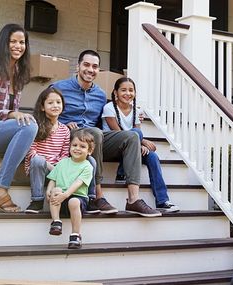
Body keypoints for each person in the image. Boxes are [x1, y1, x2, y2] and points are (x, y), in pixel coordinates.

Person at [52, 50, 161, 217]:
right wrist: (64, 124)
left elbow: (102, 124)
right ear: (78, 66)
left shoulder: (100, 94)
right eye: (86, 65)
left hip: (96, 138)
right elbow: (46, 112)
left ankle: (133, 199)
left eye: (95, 66)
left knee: (132, 136)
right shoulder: (59, 88)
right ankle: (97, 195)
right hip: (71, 138)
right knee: (95, 132)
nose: (90, 69)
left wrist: (142, 139)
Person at [0, 23, 38, 212]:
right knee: (28, 126)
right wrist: (12, 114)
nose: (18, 46)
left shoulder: (18, 73)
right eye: (12, 41)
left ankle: (3, 164)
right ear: (3, 44)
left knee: (33, 125)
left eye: (22, 42)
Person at [102, 77, 179, 212]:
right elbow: (120, 134)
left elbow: (137, 135)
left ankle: (162, 200)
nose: (128, 93)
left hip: (130, 151)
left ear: (135, 93)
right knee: (136, 132)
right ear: (115, 93)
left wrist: (141, 144)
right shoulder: (109, 108)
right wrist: (141, 142)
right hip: (113, 148)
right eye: (123, 90)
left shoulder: (136, 111)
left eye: (131, 90)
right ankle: (121, 173)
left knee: (152, 156)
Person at [24, 87, 70, 213]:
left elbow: (65, 154)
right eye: (50, 103)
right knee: (38, 160)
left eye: (58, 102)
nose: (55, 105)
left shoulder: (65, 130)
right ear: (42, 107)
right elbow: (31, 152)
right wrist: (50, 167)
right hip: (39, 168)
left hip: (57, 169)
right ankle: (37, 200)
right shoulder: (35, 126)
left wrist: (57, 170)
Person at [46, 130, 94, 249]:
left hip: (78, 199)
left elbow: (78, 183)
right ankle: (56, 222)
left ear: (89, 151)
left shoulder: (87, 166)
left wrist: (66, 194)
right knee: (56, 190)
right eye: (74, 145)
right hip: (61, 201)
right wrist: (49, 190)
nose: (77, 148)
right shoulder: (63, 162)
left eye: (82, 146)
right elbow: (53, 179)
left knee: (73, 201)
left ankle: (75, 235)